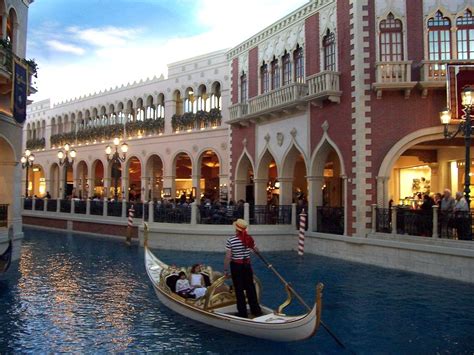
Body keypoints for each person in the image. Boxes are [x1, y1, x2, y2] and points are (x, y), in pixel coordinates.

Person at [223, 218, 262, 318]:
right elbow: (256, 250)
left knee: (239, 289)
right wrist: (253, 249)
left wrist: (226, 270)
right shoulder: (249, 238)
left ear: (236, 229)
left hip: (236, 266)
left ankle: (243, 313)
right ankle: (256, 311)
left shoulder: (231, 240)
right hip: (247, 266)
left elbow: (228, 256)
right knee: (250, 288)